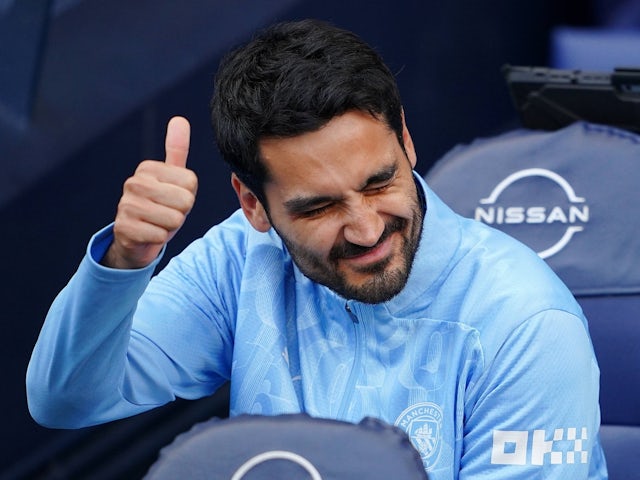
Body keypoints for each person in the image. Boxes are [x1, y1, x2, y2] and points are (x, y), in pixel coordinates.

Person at [27, 19, 607, 479]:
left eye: (379, 183)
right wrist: (123, 263)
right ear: (252, 205)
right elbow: (66, 401)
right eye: (318, 207)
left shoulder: (528, 323)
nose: (364, 229)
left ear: (405, 139)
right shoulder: (238, 257)